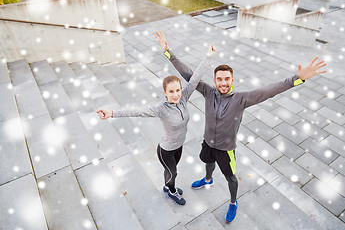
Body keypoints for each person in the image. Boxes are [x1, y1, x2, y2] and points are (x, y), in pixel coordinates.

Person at [156, 31, 326, 223]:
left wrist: (298, 78)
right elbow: (189, 74)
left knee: (231, 178)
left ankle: (233, 202)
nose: (223, 83)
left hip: (226, 150)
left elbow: (269, 91)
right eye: (219, 79)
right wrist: (168, 52)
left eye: (227, 79)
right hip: (208, 144)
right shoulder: (208, 92)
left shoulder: (242, 99)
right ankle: (208, 179)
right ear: (215, 80)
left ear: (232, 80)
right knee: (207, 161)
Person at [96, 43, 216, 205]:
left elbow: (195, 78)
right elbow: (137, 111)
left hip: (178, 147)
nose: (175, 94)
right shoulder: (161, 109)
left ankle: (168, 186)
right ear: (165, 93)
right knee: (173, 173)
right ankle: (172, 191)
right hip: (166, 150)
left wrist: (208, 55)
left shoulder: (184, 98)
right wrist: (112, 113)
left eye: (177, 90)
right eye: (171, 91)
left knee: (170, 172)